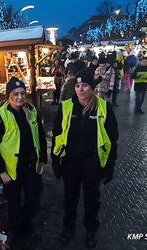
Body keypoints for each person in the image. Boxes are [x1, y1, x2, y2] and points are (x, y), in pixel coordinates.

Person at [51, 68, 119, 248]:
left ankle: (90, 231)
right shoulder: (66, 107)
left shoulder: (104, 107)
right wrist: (55, 162)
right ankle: (68, 228)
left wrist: (110, 165)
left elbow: (112, 139)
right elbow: (57, 135)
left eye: (85, 85)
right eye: (78, 85)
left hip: (92, 163)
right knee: (70, 198)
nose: (81, 89)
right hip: (70, 162)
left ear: (92, 87)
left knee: (91, 200)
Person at [0, 77, 47, 247]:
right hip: (11, 169)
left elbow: (40, 136)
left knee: (33, 202)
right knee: (14, 204)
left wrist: (42, 158)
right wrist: (1, 171)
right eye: (15, 94)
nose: (20, 97)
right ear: (8, 96)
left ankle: (26, 225)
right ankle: (18, 233)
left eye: (22, 93)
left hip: (31, 166)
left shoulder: (31, 110)